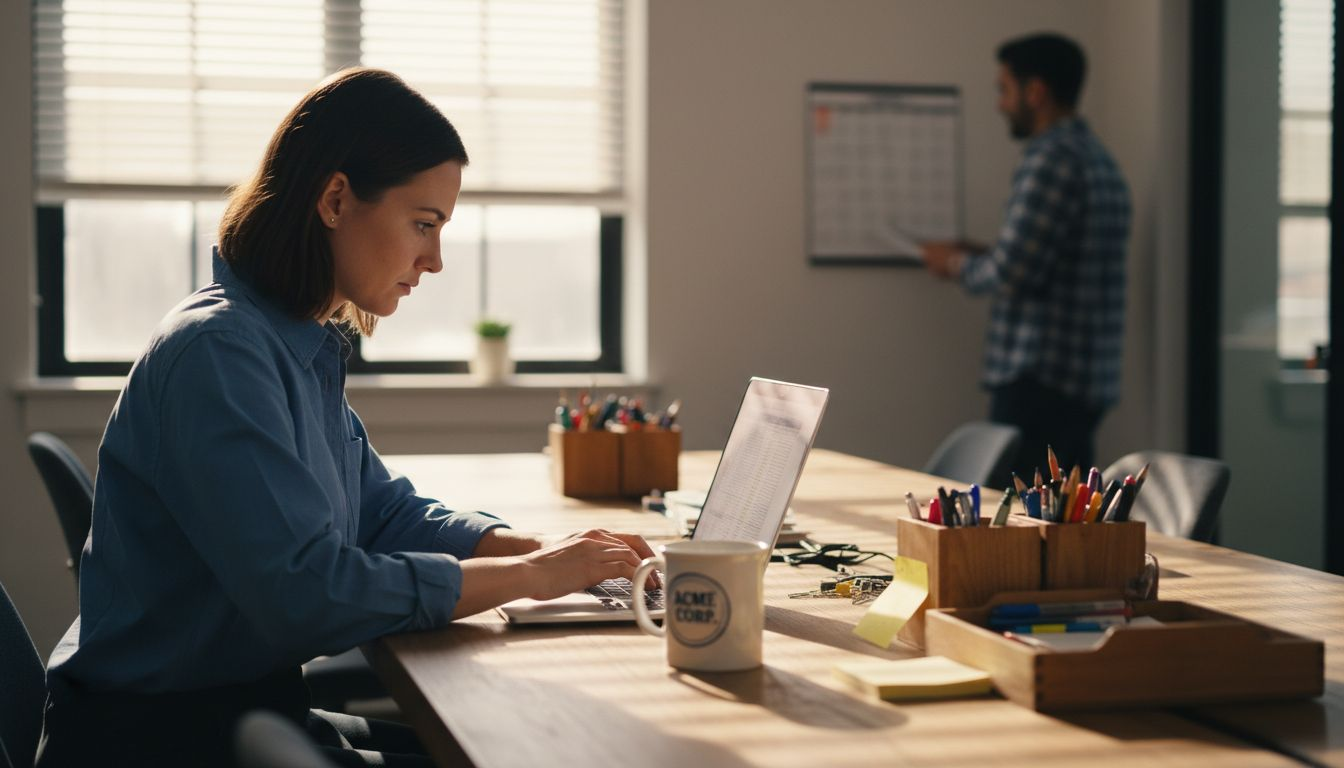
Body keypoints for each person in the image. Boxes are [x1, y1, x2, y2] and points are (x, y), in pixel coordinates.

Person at [36, 68, 656, 768]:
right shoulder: (220, 355)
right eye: (424, 224)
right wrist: (534, 577)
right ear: (336, 198)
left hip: (239, 714)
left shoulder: (293, 342)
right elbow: (307, 592)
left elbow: (383, 516)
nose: (436, 259)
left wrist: (553, 552)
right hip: (160, 742)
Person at [922, 33, 1131, 478]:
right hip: (1082, 383)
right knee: (1062, 526)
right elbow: (1056, 260)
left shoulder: (1049, 159)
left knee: (1020, 530)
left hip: (1039, 382)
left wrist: (954, 264)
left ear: (1035, 92)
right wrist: (983, 251)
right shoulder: (1099, 160)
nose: (999, 103)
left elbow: (1012, 272)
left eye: (1004, 89)